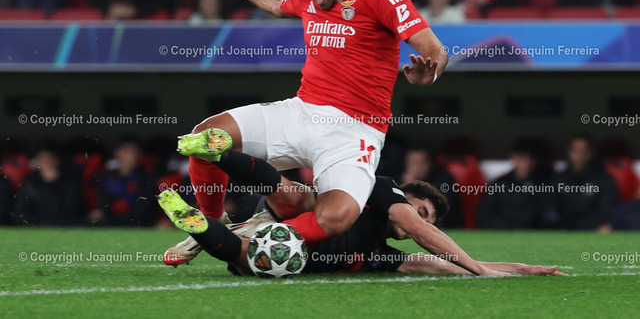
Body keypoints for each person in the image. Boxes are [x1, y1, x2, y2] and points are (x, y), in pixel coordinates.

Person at [166, 0, 448, 260]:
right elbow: (280, 1)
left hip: (355, 130)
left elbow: (435, 48)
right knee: (205, 138)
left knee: (337, 217)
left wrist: (430, 72)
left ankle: (256, 243)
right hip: (303, 111)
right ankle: (213, 225)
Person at [158, 149, 565, 277]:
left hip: (288, 249)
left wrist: (520, 269)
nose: (421, 223)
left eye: (427, 220)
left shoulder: (381, 254)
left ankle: (199, 225)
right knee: (294, 195)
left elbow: (441, 265)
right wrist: (481, 272)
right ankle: (220, 153)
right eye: (422, 212)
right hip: (298, 212)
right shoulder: (379, 187)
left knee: (248, 260)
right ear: (406, 196)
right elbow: (423, 234)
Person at [476, 138, 554, 229]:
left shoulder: (544, 185)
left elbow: (546, 217)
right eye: (522, 157)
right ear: (513, 157)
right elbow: (484, 214)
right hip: (501, 233)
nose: (526, 162)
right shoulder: (499, 184)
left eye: (531, 158)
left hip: (530, 233)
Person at [553, 135, 618, 231]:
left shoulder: (604, 180)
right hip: (564, 230)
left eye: (584, 150)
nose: (580, 154)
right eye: (576, 150)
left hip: (594, 230)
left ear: (592, 153)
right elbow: (551, 211)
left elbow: (607, 211)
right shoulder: (558, 180)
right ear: (569, 153)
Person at [12, 144, 84, 226]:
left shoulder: (70, 182)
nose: (47, 162)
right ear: (38, 161)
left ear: (58, 160)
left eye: (51, 158)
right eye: (43, 159)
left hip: (64, 225)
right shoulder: (29, 182)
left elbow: (72, 210)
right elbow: (20, 212)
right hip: (35, 226)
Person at [91, 137, 156, 226]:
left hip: (138, 223)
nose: (131, 155)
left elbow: (143, 209)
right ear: (117, 153)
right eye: (126, 151)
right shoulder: (106, 177)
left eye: (134, 152)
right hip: (109, 222)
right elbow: (102, 205)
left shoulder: (147, 179)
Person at [400, 146, 463, 227]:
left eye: (420, 163)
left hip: (446, 227)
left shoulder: (443, 178)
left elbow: (441, 210)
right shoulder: (397, 179)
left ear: (429, 163)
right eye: (411, 163)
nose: (416, 167)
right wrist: (407, 184)